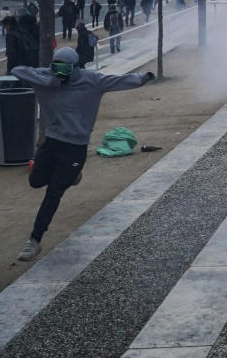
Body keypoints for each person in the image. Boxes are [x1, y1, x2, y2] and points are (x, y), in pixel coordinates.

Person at [11, 48, 154, 261]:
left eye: (66, 69)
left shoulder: (92, 81)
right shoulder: (45, 77)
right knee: (35, 181)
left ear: (77, 68)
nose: (61, 74)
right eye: (57, 68)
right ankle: (71, 176)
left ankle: (34, 240)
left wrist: (143, 78)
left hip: (75, 146)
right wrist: (49, 80)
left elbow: (119, 81)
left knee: (54, 192)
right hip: (51, 142)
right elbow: (17, 69)